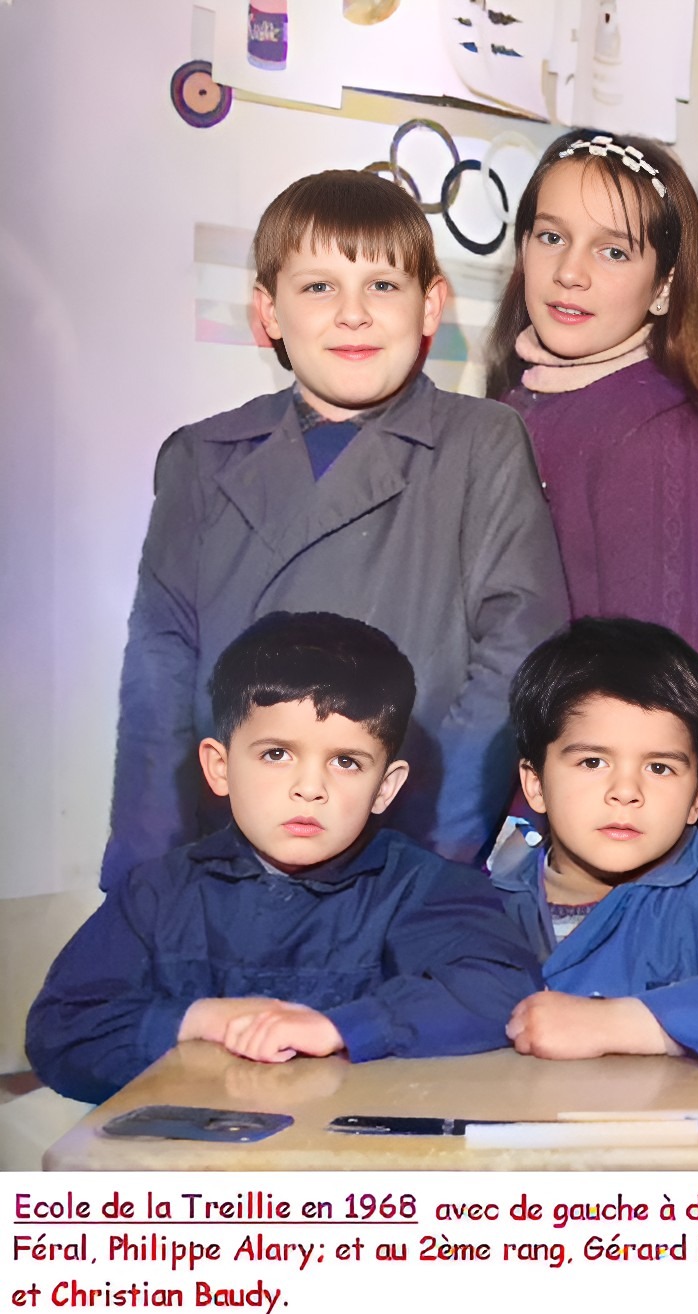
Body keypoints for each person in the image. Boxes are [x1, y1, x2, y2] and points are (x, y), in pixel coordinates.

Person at [104, 169, 568, 889]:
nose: (353, 314)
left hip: (399, 851)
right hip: (226, 860)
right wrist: (147, 875)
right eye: (319, 287)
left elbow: (515, 656)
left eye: (382, 285)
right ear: (269, 312)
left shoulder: (481, 443)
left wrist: (433, 854)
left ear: (429, 306)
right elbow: (157, 677)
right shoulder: (201, 457)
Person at [28, 613, 542, 1104]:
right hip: (194, 1154)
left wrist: (339, 1028)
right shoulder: (156, 894)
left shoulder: (426, 889)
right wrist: (201, 1020)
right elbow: (60, 1031)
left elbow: (502, 990)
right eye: (276, 754)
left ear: (385, 787)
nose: (309, 788)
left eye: (345, 762)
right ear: (220, 767)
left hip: (353, 1157)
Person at [491, 618, 698, 1064]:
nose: (626, 791)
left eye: (659, 768)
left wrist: (621, 1023)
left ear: (696, 798)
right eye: (593, 762)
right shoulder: (487, 898)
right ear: (535, 784)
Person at [485, 130, 698, 650]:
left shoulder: (655, 428)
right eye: (551, 237)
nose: (570, 272)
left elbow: (652, 667)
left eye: (612, 251)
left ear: (663, 287)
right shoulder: (515, 399)